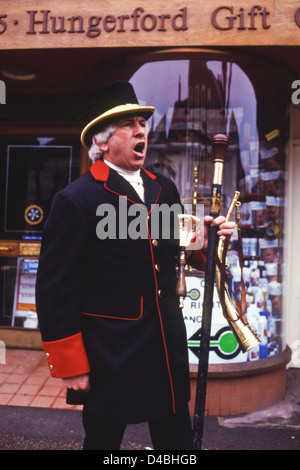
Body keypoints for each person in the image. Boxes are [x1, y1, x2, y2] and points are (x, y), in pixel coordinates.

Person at [35, 81, 235, 450]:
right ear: (102, 141)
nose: (141, 130)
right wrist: (70, 364)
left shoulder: (164, 188)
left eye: (141, 123)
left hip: (165, 338)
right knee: (104, 440)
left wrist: (211, 238)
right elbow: (54, 290)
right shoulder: (76, 200)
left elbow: (185, 251)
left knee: (176, 441)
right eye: (128, 124)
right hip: (111, 348)